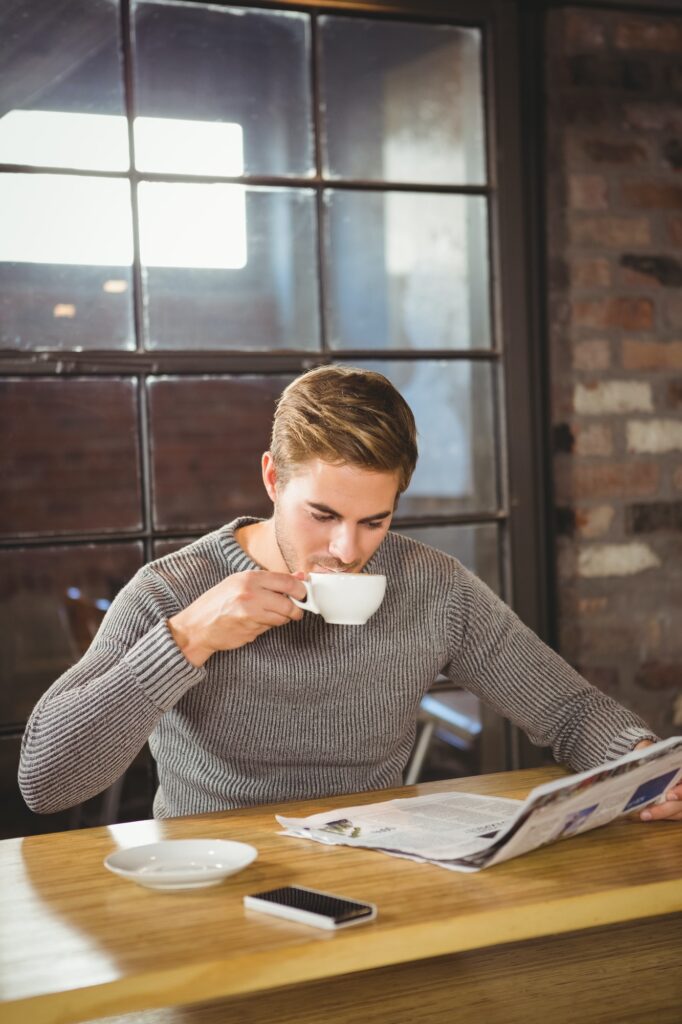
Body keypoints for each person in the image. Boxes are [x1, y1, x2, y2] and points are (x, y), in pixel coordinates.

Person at [19, 366, 681, 823]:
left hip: (377, 871)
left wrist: (648, 768)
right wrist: (187, 639)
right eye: (324, 515)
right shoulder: (174, 590)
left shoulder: (433, 586)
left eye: (376, 521)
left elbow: (567, 710)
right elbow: (46, 782)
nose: (348, 549)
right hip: (214, 880)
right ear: (273, 479)